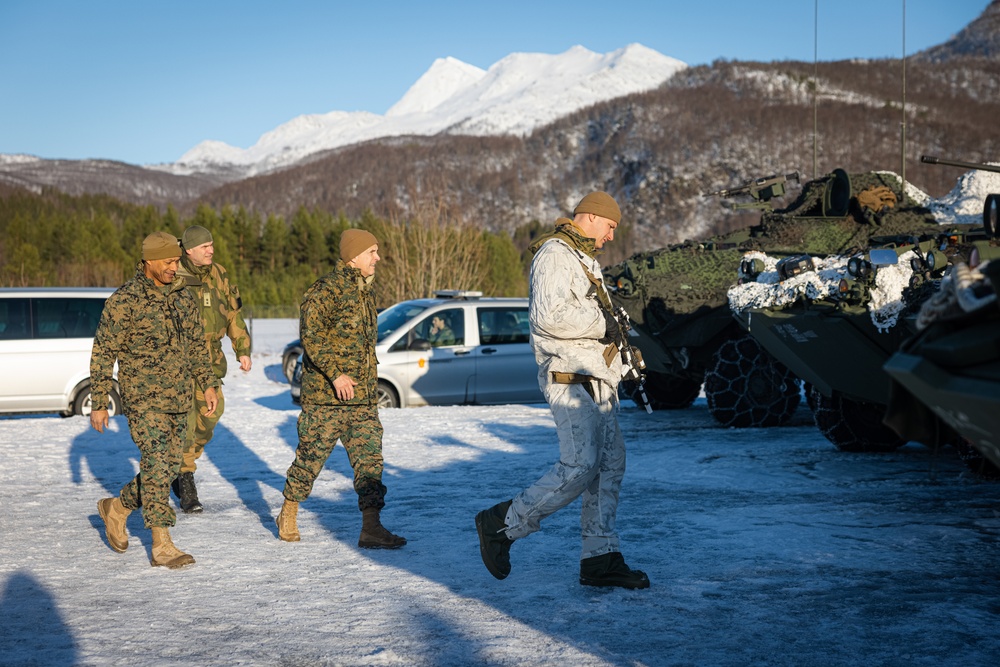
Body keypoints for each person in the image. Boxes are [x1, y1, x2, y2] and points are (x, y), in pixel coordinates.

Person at [475, 191, 650, 589]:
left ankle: (600, 558)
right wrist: (603, 320)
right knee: (580, 465)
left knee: (608, 467)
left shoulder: (582, 259)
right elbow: (549, 317)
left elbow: (588, 330)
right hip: (570, 380)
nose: (610, 237)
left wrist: (623, 357)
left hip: (595, 378)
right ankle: (502, 523)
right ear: (589, 217)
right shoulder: (554, 254)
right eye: (609, 227)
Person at [92, 231, 220, 568]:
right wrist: (100, 402)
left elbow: (196, 345)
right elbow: (104, 353)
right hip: (143, 400)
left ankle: (116, 509)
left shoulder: (181, 297)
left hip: (179, 398)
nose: (173, 268)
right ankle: (162, 544)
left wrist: (207, 384)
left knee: (161, 468)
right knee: (158, 464)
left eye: (177, 261)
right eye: (167, 262)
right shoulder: (124, 301)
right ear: (148, 260)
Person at [276, 229, 406, 549]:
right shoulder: (325, 290)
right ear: (354, 255)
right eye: (372, 251)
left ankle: (372, 528)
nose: (377, 257)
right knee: (311, 459)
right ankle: (288, 513)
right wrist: (335, 375)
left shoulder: (365, 293)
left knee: (370, 462)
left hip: (361, 399)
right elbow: (312, 336)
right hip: (326, 399)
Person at [172, 225, 252, 513]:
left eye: (212, 245)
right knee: (186, 424)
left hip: (211, 361)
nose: (211, 250)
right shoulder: (173, 275)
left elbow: (232, 313)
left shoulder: (219, 273)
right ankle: (185, 479)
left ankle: (183, 467)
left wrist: (242, 348)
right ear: (189, 249)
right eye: (204, 246)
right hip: (180, 363)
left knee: (210, 416)